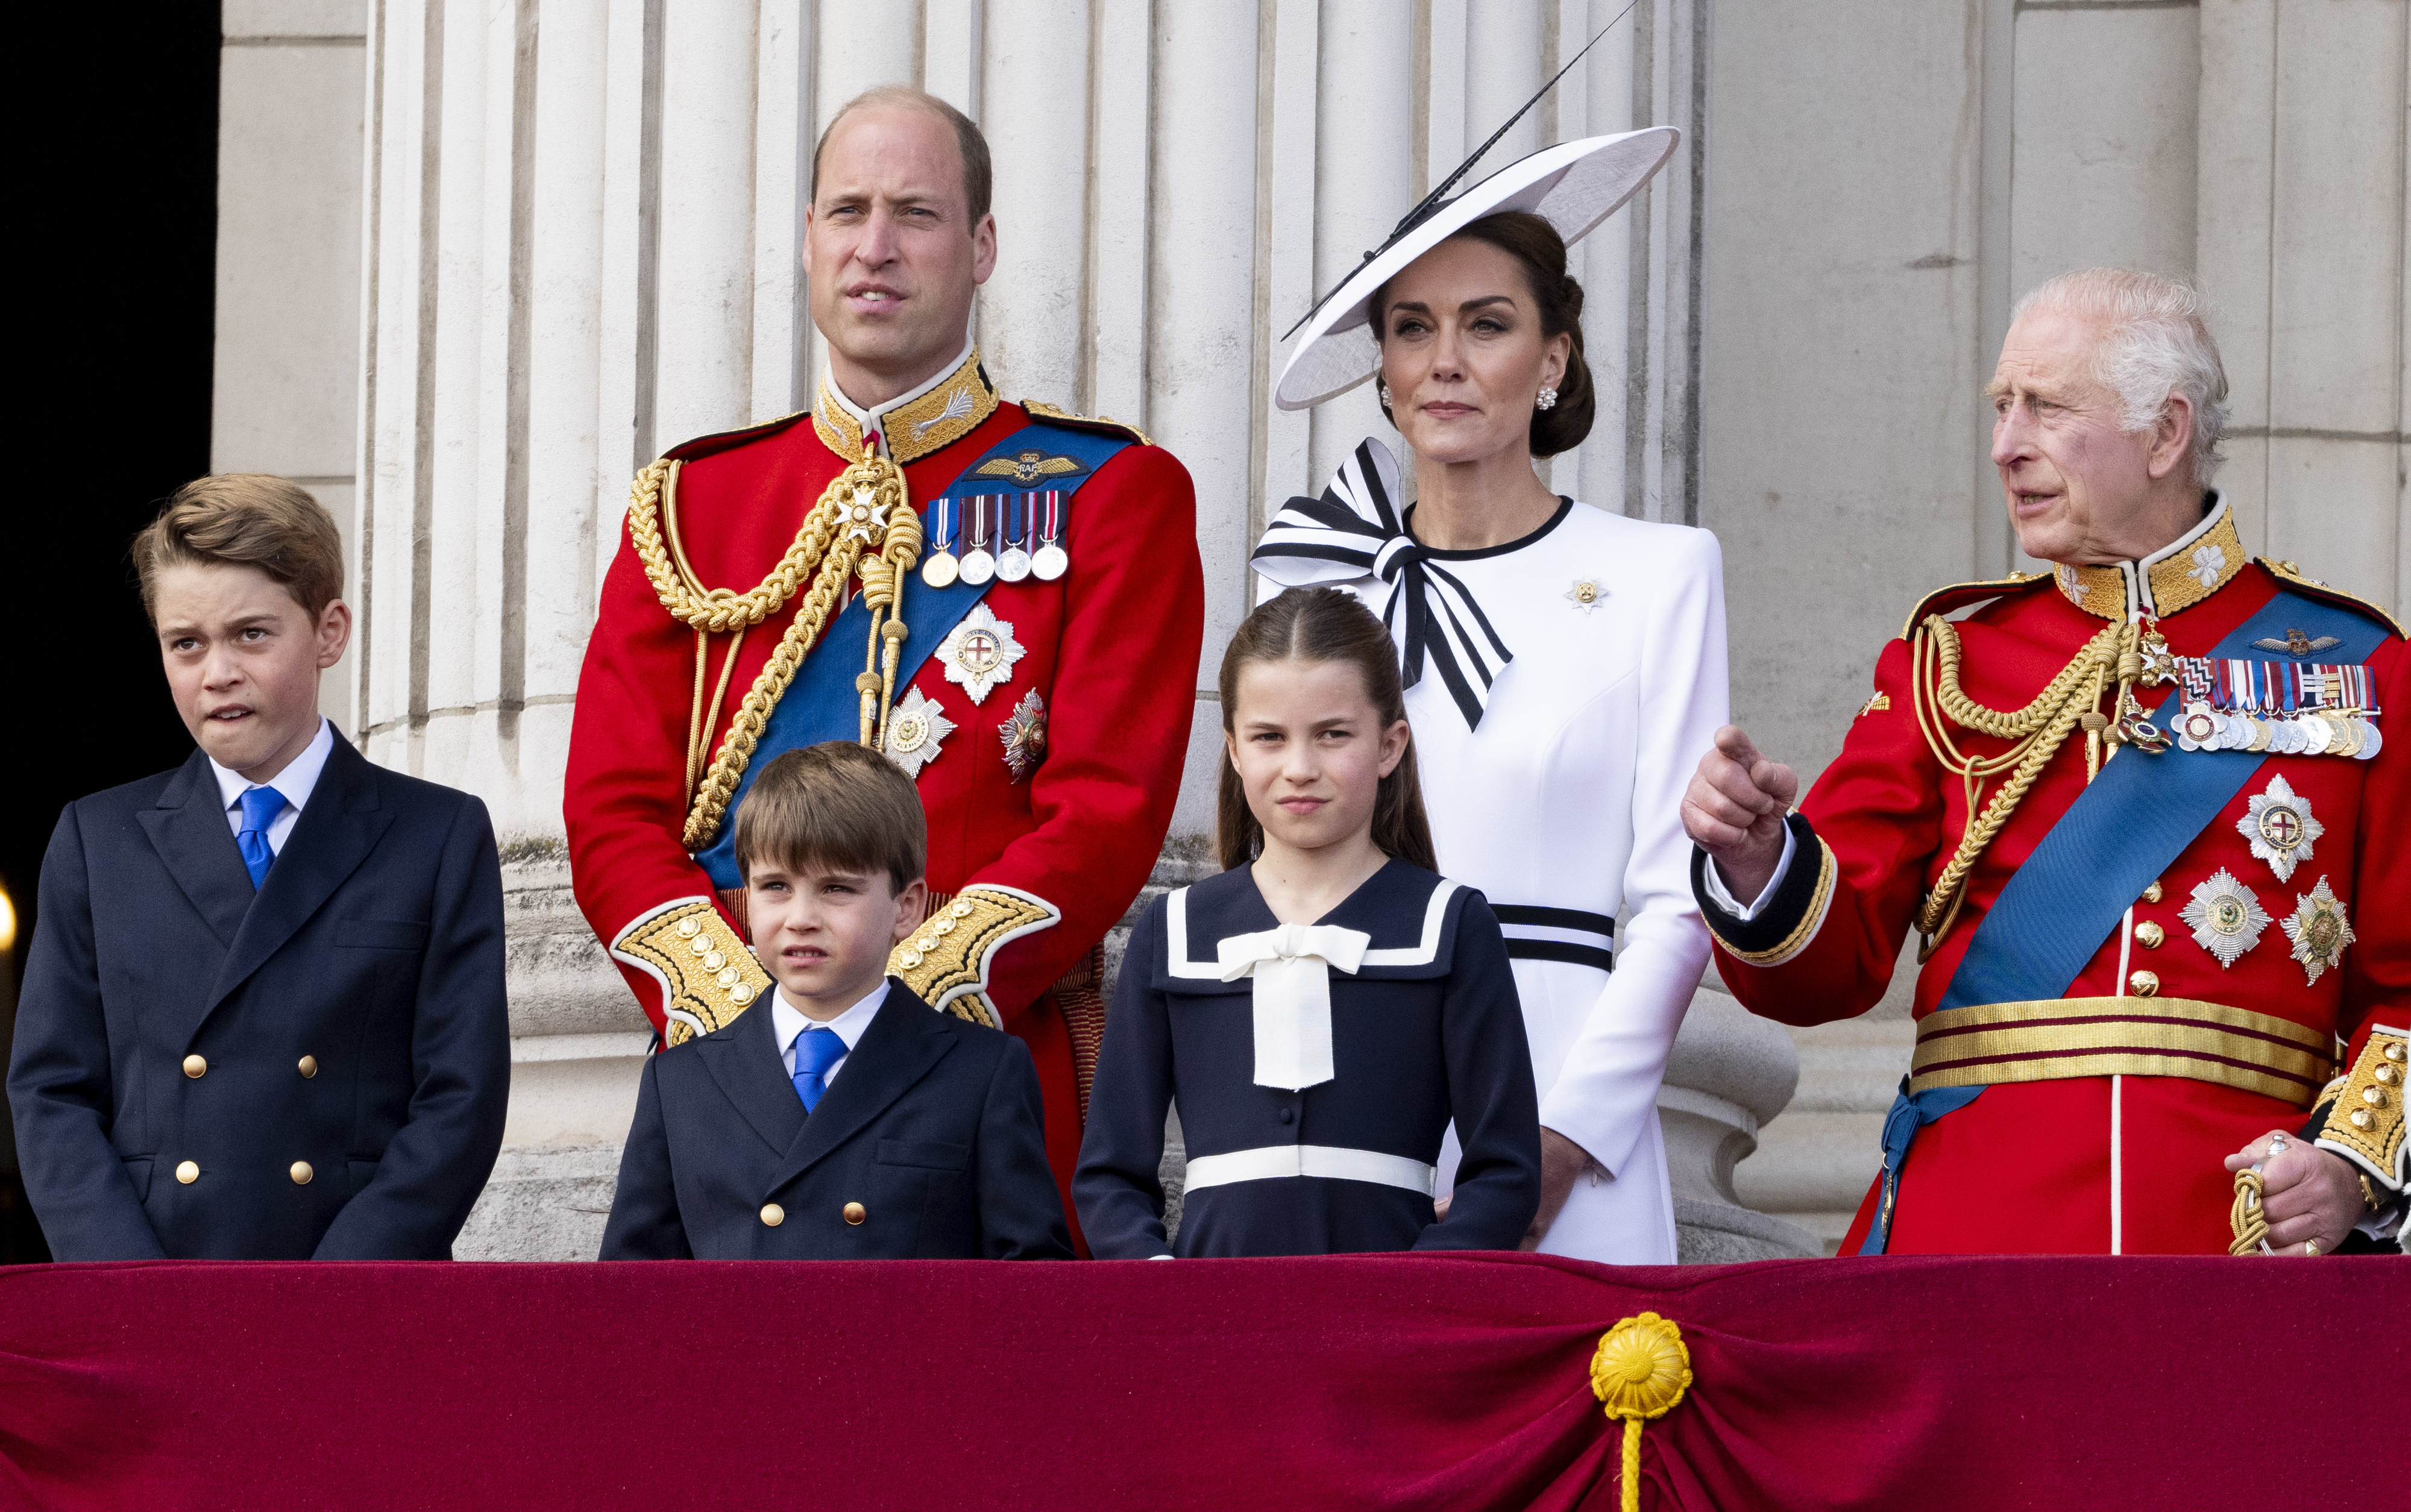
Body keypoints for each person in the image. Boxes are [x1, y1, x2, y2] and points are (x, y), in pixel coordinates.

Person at [564, 86, 1204, 1247]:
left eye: (916, 213)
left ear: (982, 247)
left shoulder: (1109, 491)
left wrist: (895, 1004)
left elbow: (1108, 807)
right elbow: (613, 813)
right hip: (732, 1090)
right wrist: (756, 1005)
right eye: (847, 211)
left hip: (975, 1081)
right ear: (807, 238)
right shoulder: (692, 504)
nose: (875, 247)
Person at [1683, 269, 2406, 1255]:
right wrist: (1758, 860)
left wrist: (2349, 1167)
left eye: (2048, 408)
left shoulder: (2362, 668)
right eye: (2001, 407)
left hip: (2234, 1244)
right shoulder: (1951, 658)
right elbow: (1827, 968)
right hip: (1974, 1233)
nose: (2005, 445)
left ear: (2165, 434)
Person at [1251, 128, 1724, 1264]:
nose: (1445, 360)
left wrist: (1561, 1139)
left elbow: (1678, 899)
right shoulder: (1316, 576)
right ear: (1382, 366)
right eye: (1413, 328)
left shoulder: (1665, 571)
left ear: (1555, 357)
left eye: (1488, 324)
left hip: (1562, 1077)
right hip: (1347, 1084)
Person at [8, 475, 510, 1260]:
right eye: (187, 643)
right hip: (153, 1295)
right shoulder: (96, 840)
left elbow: (460, 1099)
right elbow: (51, 1093)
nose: (217, 672)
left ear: (330, 632)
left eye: (251, 635)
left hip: (350, 1298)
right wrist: (130, 1291)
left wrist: (334, 1293)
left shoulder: (436, 835)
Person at [1075, 590, 1539, 1257]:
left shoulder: (1450, 922)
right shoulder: (1173, 929)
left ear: (1389, 744)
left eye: (1332, 734)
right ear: (1234, 750)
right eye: (1269, 737)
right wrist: (1156, 1281)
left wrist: (1421, 1290)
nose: (1300, 768)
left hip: (1390, 1316)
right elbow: (1110, 1172)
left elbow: (1505, 1171)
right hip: (1212, 1319)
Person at [600, 743, 1070, 1260]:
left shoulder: (983, 1073)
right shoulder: (680, 1083)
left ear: (906, 906)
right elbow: (631, 1297)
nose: (801, 916)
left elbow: (1031, 1294)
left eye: (836, 889)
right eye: (775, 885)